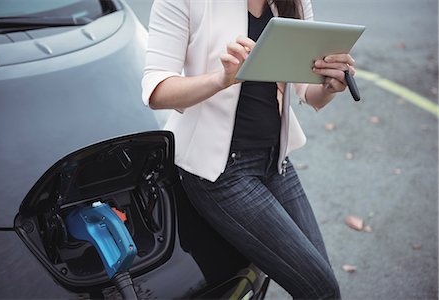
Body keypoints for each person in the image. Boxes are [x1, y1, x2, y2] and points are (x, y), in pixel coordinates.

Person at [142, 0, 355, 298]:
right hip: (220, 173)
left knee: (321, 285)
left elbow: (309, 93)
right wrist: (221, 79)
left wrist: (332, 84)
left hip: (276, 161)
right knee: (322, 290)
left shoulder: (293, 2)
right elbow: (156, 90)